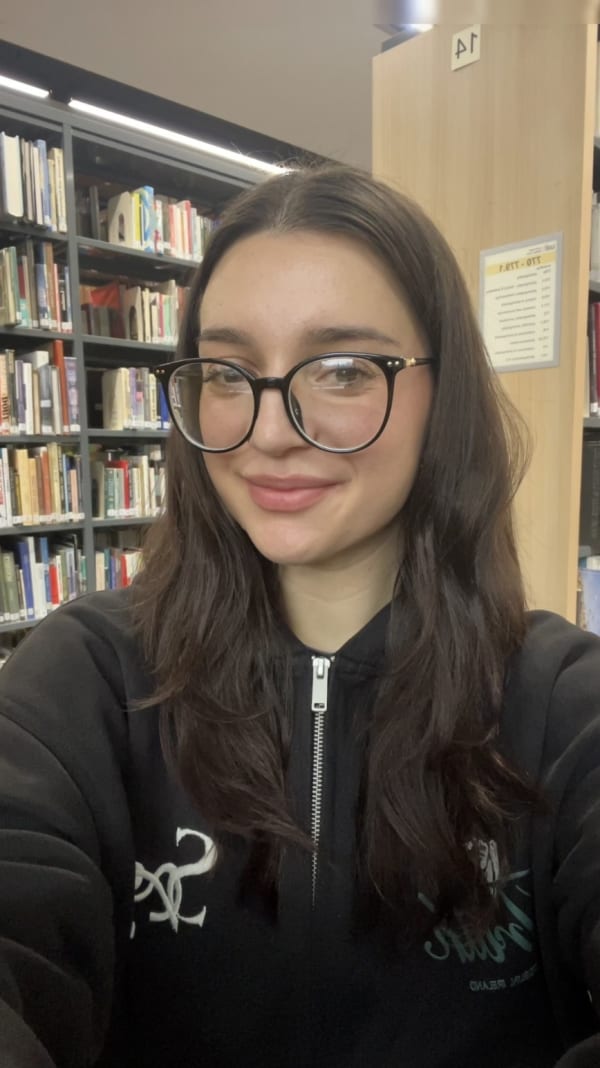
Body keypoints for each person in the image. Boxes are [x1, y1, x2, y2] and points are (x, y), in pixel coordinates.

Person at [1, 163, 599, 1068]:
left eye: (345, 371)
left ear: (444, 395)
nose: (271, 432)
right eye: (228, 372)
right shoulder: (83, 681)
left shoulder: (565, 709)